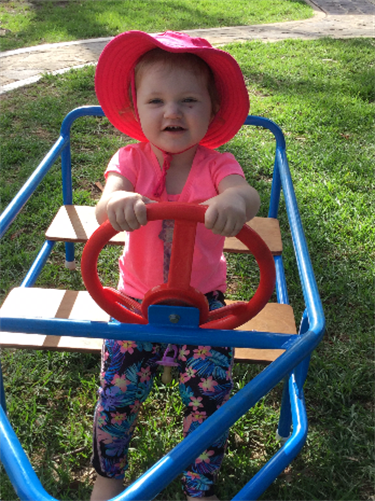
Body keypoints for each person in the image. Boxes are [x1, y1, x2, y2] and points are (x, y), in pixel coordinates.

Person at [90, 30, 260, 501]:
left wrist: (234, 200)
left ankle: (198, 485)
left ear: (210, 111)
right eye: (157, 100)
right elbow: (105, 205)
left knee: (211, 396)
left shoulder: (217, 163)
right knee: (115, 396)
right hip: (133, 302)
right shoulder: (129, 159)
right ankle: (109, 476)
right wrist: (118, 200)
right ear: (137, 109)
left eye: (189, 100)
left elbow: (247, 194)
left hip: (204, 303)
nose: (172, 112)